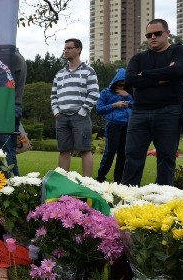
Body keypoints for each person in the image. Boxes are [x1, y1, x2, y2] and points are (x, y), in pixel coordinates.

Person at [122, 18, 183, 186]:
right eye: (149, 34)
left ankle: (163, 200)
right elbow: (130, 80)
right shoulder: (138, 58)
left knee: (166, 157)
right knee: (133, 156)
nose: (153, 37)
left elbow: (176, 71)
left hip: (169, 112)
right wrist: (161, 77)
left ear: (167, 33)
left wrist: (143, 75)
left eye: (157, 33)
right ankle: (127, 198)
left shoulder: (179, 52)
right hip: (139, 113)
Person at [50, 38, 99, 177]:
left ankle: (87, 183)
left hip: (80, 116)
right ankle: (63, 182)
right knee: (64, 151)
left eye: (69, 48)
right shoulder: (59, 73)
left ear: (78, 49)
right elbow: (53, 94)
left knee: (85, 150)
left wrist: (83, 111)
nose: (66, 50)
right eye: (65, 48)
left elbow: (94, 93)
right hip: (62, 117)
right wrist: (56, 111)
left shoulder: (89, 71)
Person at [95, 68, 133, 183]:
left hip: (127, 126)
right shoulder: (106, 92)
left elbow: (138, 106)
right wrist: (114, 105)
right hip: (113, 125)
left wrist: (127, 96)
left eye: (124, 84)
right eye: (120, 84)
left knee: (123, 154)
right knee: (110, 152)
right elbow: (99, 109)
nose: (122, 86)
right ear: (115, 82)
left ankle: (118, 180)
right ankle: (100, 178)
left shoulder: (130, 93)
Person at [0, 50, 27, 177]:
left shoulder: (12, 59)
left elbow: (2, 83)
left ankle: (6, 184)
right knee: (9, 151)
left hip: (7, 109)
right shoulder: (18, 57)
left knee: (2, 152)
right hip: (12, 107)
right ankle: (13, 183)